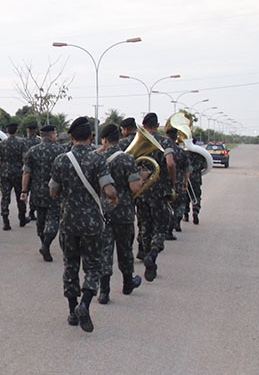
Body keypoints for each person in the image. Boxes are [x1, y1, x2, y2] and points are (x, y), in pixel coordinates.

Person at [49, 117, 117, 332]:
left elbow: (53, 191)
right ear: (91, 137)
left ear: (71, 137)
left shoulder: (61, 160)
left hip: (68, 221)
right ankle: (85, 304)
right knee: (93, 265)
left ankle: (71, 312)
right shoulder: (98, 160)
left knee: (70, 264)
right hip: (92, 223)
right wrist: (113, 199)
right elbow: (109, 191)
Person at [96, 123, 146, 303]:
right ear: (119, 137)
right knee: (125, 249)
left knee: (105, 250)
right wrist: (142, 178)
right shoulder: (127, 159)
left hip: (103, 211)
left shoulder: (98, 158)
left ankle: (104, 292)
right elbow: (135, 187)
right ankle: (127, 284)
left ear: (104, 140)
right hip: (124, 212)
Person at [135, 113, 177, 282]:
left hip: (142, 190)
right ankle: (152, 254)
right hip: (159, 191)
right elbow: (170, 163)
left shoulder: (139, 141)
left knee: (145, 226)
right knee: (160, 227)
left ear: (144, 126)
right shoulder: (166, 141)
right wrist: (172, 184)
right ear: (157, 125)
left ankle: (145, 254)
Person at [21, 124, 64, 261]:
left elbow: (26, 173)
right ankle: (46, 244)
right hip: (55, 191)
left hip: (37, 191)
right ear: (52, 135)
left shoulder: (32, 151)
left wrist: (24, 191)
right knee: (53, 219)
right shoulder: (60, 151)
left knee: (41, 219)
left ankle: (43, 243)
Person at [0, 122, 28, 229]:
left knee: (5, 197)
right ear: (16, 131)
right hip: (18, 173)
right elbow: (24, 159)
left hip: (5, 173)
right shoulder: (21, 143)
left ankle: (5, 221)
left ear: (6, 131)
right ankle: (22, 218)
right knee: (21, 195)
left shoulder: (1, 144)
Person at [165, 127, 189, 238]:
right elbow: (187, 169)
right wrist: (185, 182)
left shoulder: (162, 150)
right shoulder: (181, 151)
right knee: (179, 205)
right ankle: (177, 222)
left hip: (164, 182)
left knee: (166, 206)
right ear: (176, 138)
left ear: (166, 136)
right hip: (178, 182)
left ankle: (167, 229)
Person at [186, 138, 205, 224]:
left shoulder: (184, 153)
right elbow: (204, 165)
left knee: (185, 197)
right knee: (196, 196)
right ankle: (195, 211)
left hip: (186, 178)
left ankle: (185, 214)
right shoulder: (200, 154)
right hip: (196, 178)